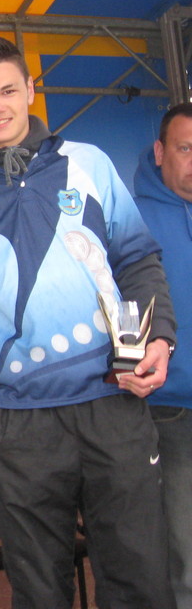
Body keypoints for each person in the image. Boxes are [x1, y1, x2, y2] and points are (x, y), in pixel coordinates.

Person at [0, 35, 177, 609]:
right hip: (18, 425)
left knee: (139, 582)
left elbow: (138, 260)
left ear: (31, 90)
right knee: (39, 593)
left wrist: (158, 338)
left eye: (9, 90)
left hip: (115, 403)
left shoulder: (89, 163)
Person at [135, 102, 192, 609]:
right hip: (170, 413)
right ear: (160, 152)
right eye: (185, 148)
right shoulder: (129, 220)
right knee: (186, 558)